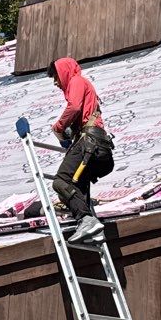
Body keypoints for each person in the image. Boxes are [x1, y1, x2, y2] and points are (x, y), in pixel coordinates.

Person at [49, 57, 115, 243]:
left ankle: (87, 220)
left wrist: (59, 127)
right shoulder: (84, 84)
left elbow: (75, 107)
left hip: (89, 143)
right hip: (98, 146)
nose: (55, 83)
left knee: (61, 181)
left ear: (64, 72)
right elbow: (82, 112)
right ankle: (94, 230)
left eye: (56, 77)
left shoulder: (76, 81)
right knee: (78, 185)